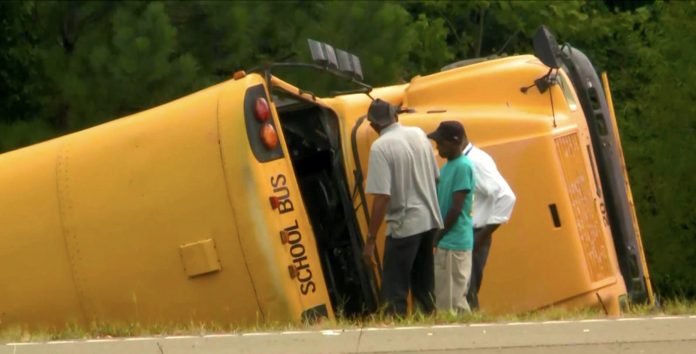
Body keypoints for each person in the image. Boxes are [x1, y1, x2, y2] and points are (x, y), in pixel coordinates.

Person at [362, 99, 443, 316]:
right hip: (430, 221)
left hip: (405, 226)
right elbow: (436, 179)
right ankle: (428, 330)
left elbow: (382, 196)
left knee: (394, 290)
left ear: (373, 125)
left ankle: (394, 335)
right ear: (395, 116)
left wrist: (370, 239)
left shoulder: (380, 147)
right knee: (425, 287)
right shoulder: (418, 134)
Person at [427, 121, 475, 313]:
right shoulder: (447, 167)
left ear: (455, 142)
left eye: (441, 143)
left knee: (451, 303)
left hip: (454, 242)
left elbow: (456, 207)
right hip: (447, 241)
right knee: (450, 300)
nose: (438, 147)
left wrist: (438, 235)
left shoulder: (463, 166)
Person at [464, 135, 516, 310]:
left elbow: (506, 197)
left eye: (441, 144)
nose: (439, 150)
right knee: (466, 287)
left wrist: (483, 235)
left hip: (476, 233)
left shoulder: (474, 162)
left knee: (467, 289)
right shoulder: (473, 158)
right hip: (473, 232)